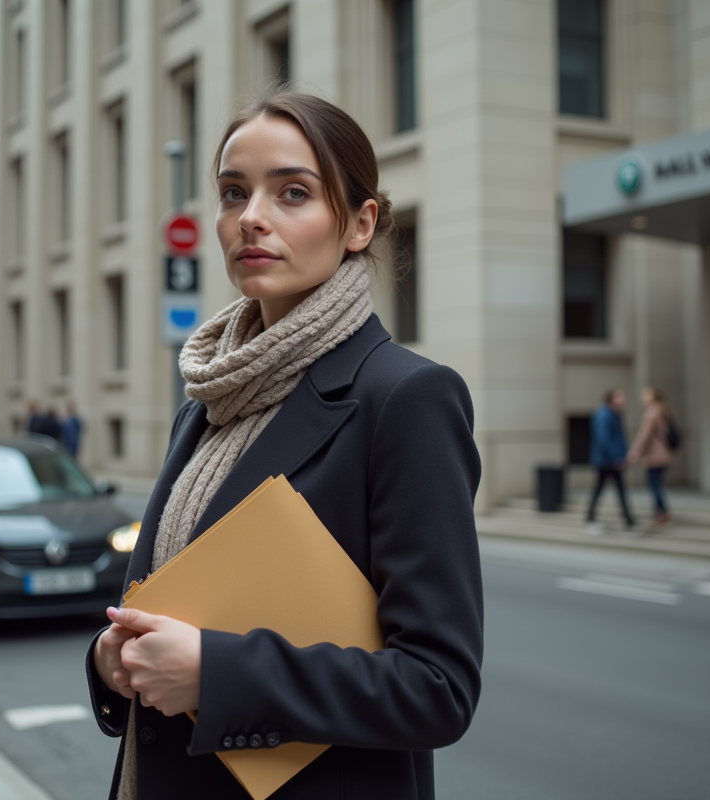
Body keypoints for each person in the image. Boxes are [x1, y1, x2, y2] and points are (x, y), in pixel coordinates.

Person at [86, 92, 483, 800]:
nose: (251, 219)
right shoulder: (208, 399)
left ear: (359, 224)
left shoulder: (406, 398)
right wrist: (112, 662)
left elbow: (438, 686)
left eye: (292, 192)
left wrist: (217, 674)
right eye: (233, 193)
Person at [585, 389, 636, 534]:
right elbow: (604, 439)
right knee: (606, 490)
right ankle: (627, 521)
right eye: (620, 396)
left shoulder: (612, 414)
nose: (623, 398)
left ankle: (628, 521)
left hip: (610, 460)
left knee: (614, 490)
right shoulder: (604, 414)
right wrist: (617, 457)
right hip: (606, 461)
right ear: (612, 398)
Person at [627, 387, 675, 526]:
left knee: (654, 485)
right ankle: (660, 512)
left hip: (655, 455)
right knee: (657, 483)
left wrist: (634, 453)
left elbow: (643, 436)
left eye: (646, 395)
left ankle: (662, 512)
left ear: (653, 397)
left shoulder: (651, 413)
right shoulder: (662, 410)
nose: (643, 397)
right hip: (664, 453)